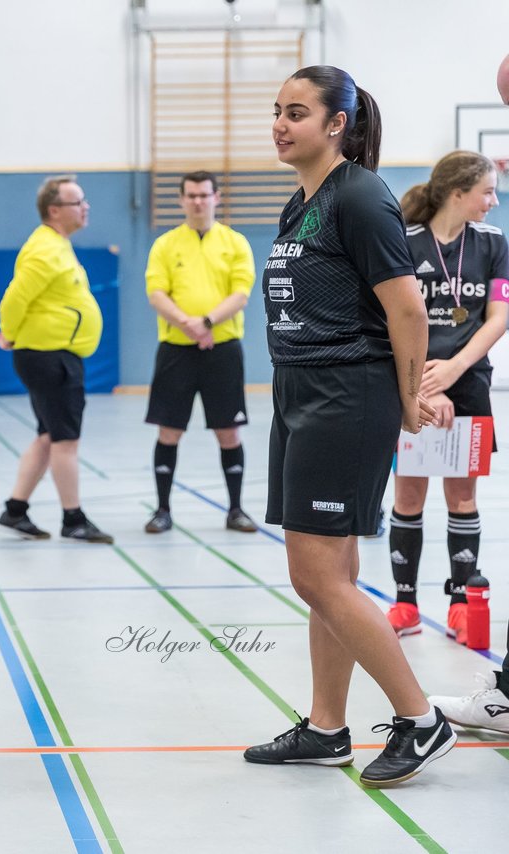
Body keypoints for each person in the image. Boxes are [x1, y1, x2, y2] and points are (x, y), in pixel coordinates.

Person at [243, 65, 456, 788]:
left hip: (346, 394)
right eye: (276, 110)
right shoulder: (300, 202)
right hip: (301, 391)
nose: (280, 123)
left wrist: (404, 399)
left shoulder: (361, 196)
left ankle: (421, 721)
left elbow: (406, 310)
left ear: (337, 124)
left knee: (314, 575)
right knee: (329, 575)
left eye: (296, 112)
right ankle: (327, 728)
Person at [382, 151, 506, 643]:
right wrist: (417, 386)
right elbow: (392, 320)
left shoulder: (493, 243)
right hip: (413, 383)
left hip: (469, 382)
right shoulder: (407, 243)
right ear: (459, 193)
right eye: (488, 191)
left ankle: (459, 602)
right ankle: (405, 604)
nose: (494, 201)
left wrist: (454, 369)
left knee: (462, 496)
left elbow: (498, 316)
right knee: (409, 494)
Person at [0, 175, 112, 543]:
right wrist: (9, 334)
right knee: (65, 441)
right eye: (78, 202)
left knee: (48, 436)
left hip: (54, 354)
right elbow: (15, 298)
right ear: (55, 210)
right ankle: (73, 519)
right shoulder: (45, 249)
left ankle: (15, 511)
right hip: (49, 357)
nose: (85, 206)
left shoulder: (57, 245)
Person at [142, 170, 257, 534]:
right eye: (190, 195)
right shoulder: (165, 244)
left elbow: (241, 293)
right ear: (181, 200)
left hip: (222, 350)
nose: (197, 201)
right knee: (169, 430)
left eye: (204, 195)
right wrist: (189, 327)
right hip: (176, 350)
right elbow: (157, 293)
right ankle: (162, 510)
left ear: (216, 197)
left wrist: (205, 323)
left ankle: (236, 509)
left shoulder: (235, 242)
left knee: (229, 431)